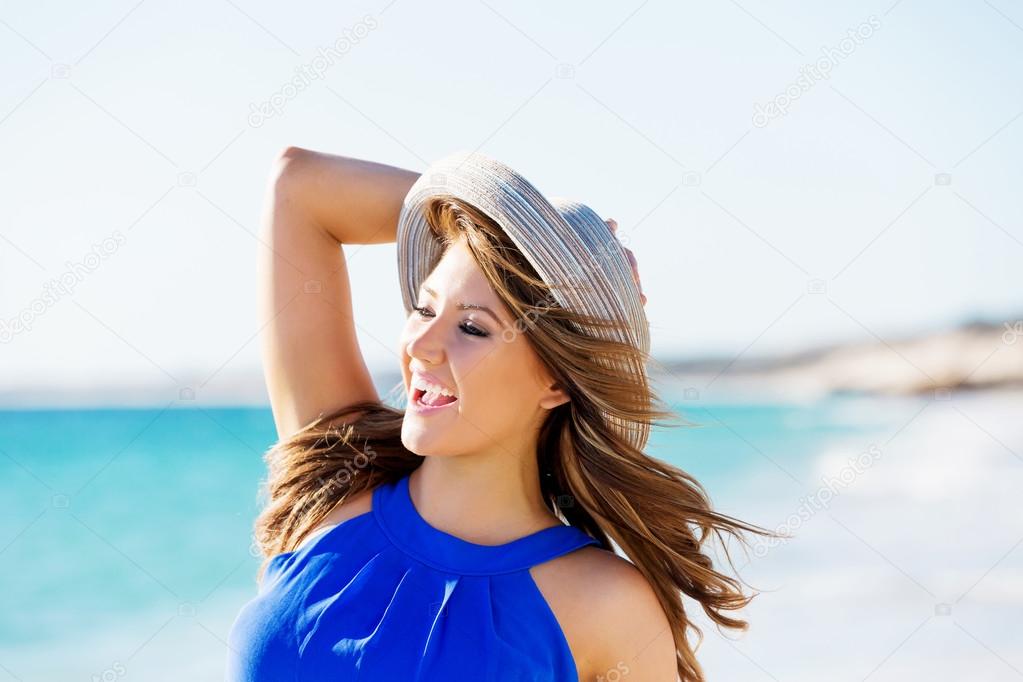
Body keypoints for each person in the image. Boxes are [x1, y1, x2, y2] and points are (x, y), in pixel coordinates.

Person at [225, 147, 777, 681]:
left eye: (472, 328)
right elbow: (298, 187)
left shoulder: (605, 606)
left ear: (558, 380)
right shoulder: (331, 478)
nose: (422, 345)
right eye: (425, 307)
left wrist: (566, 262)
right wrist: (517, 224)